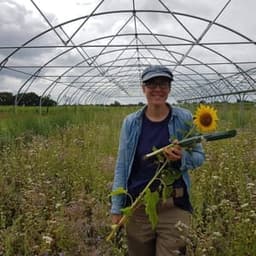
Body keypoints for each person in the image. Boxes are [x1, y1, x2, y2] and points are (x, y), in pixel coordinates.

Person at [110, 65, 205, 256]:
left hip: (173, 205)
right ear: (143, 88)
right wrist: (117, 207)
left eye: (163, 84)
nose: (158, 89)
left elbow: (199, 157)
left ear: (169, 88)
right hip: (138, 205)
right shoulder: (131, 122)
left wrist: (181, 158)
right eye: (151, 84)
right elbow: (122, 165)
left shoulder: (184, 118)